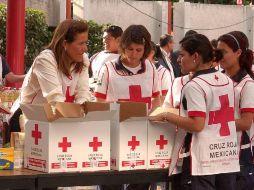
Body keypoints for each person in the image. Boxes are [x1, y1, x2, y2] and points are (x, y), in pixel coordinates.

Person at [150, 33, 239, 190]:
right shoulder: (227, 80)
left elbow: (197, 125)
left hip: (202, 161)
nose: (178, 59)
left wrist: (166, 115)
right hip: (227, 156)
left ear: (196, 56)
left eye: (182, 55)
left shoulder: (194, 85)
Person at [95, 24, 160, 190]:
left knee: (140, 181)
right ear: (123, 47)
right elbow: (99, 102)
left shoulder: (151, 68)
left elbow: (157, 99)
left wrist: (154, 117)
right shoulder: (108, 69)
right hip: (114, 133)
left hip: (142, 134)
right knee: (111, 183)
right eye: (130, 49)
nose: (134, 54)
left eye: (139, 50)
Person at [8, 19, 91, 134]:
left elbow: (83, 93)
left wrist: (81, 113)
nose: (85, 48)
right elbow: (55, 99)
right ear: (65, 44)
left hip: (56, 118)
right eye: (81, 43)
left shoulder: (83, 60)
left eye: (86, 43)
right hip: (26, 118)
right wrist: (75, 118)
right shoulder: (46, 60)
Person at [217, 31, 254, 190]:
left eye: (223, 52)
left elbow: (246, 122)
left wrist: (214, 126)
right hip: (216, 152)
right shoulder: (215, 79)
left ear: (238, 53)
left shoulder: (247, 85)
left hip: (240, 156)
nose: (219, 56)